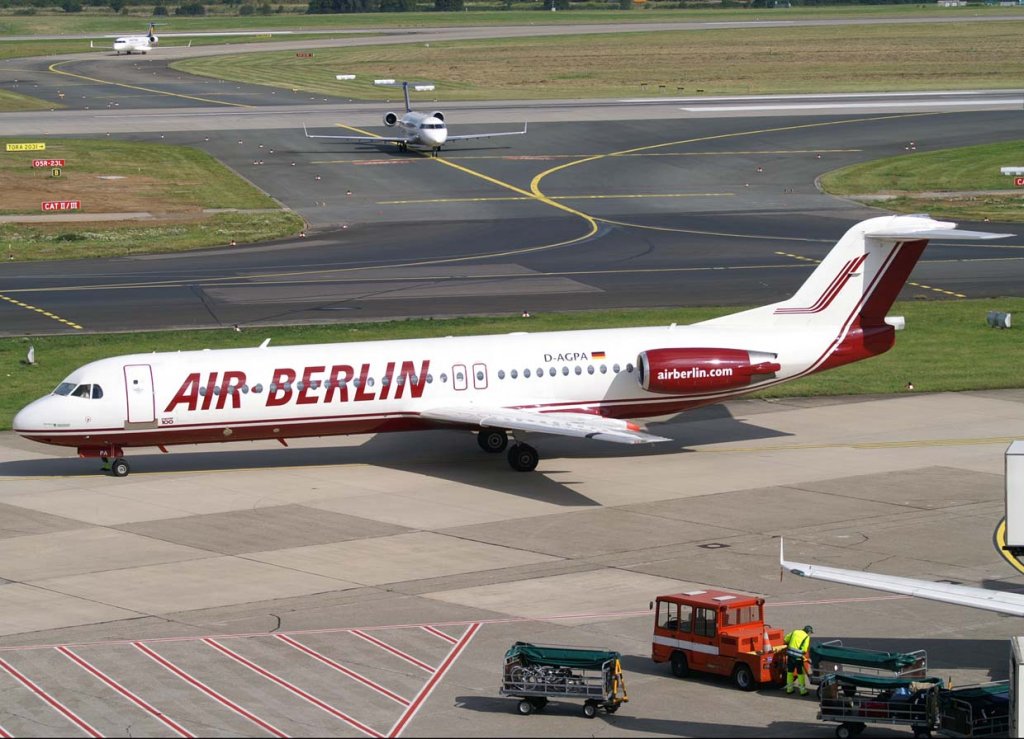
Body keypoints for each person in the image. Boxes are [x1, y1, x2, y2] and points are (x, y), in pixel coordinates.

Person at [783, 624, 813, 695]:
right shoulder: (806, 637)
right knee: (800, 673)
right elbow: (804, 649)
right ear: (808, 632)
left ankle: (789, 689)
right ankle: (802, 691)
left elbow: (786, 639)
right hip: (798, 658)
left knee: (790, 672)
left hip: (790, 655)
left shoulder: (795, 632)